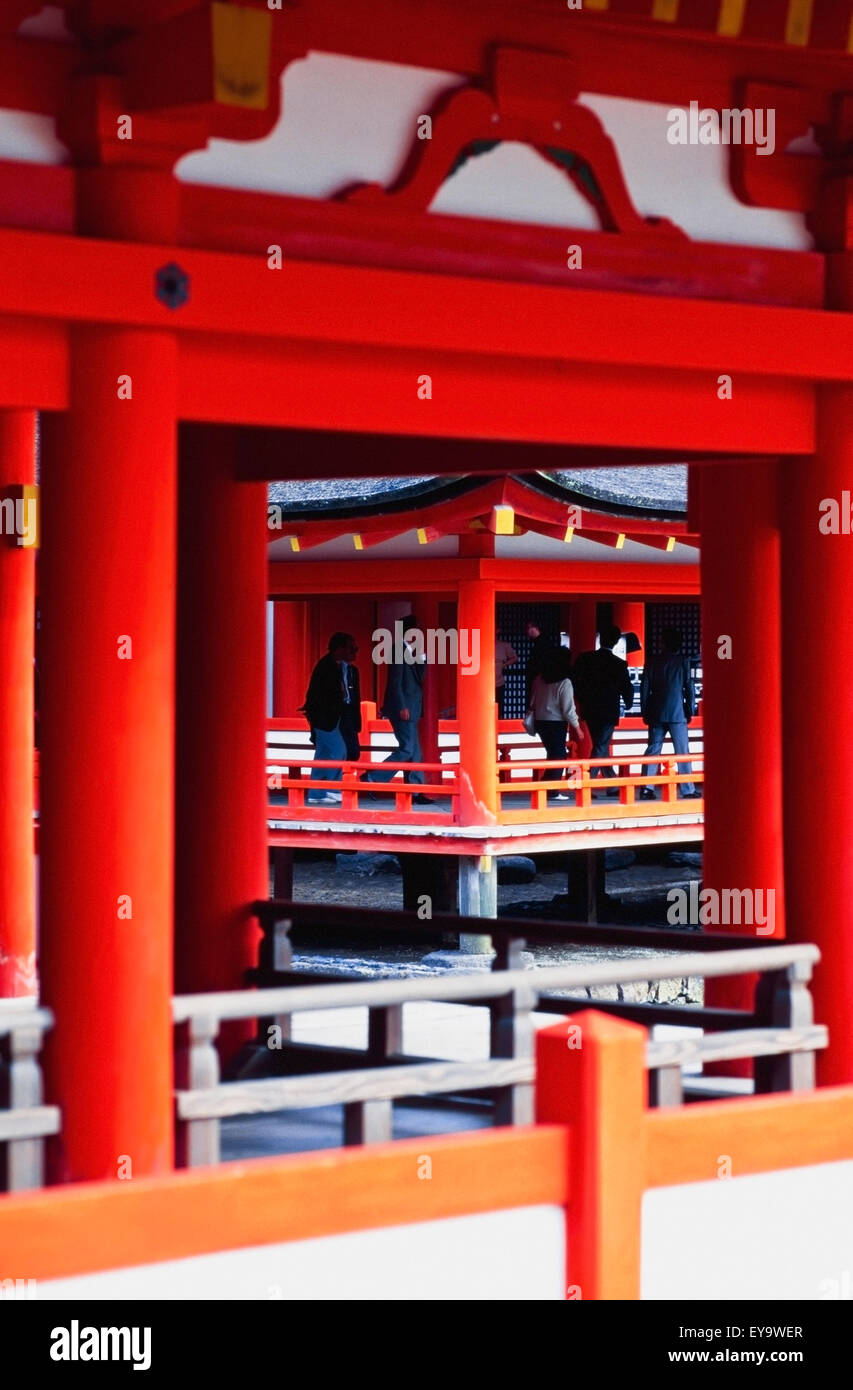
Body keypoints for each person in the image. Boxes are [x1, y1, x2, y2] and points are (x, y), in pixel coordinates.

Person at [364, 615, 431, 803]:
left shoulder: (411, 650)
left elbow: (420, 677)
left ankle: (416, 791)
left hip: (413, 707)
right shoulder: (397, 650)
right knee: (407, 749)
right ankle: (373, 778)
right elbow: (395, 681)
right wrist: (401, 705)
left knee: (415, 751)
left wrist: (422, 656)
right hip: (403, 708)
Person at [570, 624, 635, 794]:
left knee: (601, 745)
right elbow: (626, 686)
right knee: (600, 746)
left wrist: (581, 698)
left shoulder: (586, 659)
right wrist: (628, 702)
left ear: (600, 639)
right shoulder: (618, 664)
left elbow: (574, 680)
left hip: (590, 707)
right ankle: (587, 784)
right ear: (615, 642)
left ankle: (612, 784)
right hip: (608, 709)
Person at [638, 627, 699, 799]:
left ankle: (646, 787)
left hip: (656, 711)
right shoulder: (682, 661)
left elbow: (644, 688)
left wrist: (645, 710)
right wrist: (690, 709)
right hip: (677, 712)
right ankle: (687, 788)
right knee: (682, 750)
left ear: (662, 643)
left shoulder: (652, 661)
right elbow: (689, 688)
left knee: (653, 749)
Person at [300, 632, 361, 805]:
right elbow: (315, 696)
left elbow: (354, 697)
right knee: (338, 751)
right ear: (339, 648)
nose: (354, 653)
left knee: (324, 754)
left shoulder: (349, 669)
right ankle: (332, 788)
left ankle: (317, 793)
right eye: (352, 649)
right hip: (325, 718)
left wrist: (355, 721)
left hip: (341, 717)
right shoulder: (325, 667)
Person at [528, 646, 582, 801]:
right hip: (556, 722)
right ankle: (549, 789)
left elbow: (532, 700)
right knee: (559, 756)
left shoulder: (539, 678)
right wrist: (577, 728)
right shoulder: (565, 682)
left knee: (553, 754)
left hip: (541, 721)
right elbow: (568, 709)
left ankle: (546, 786)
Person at [524, 621, 557, 703]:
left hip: (540, 675)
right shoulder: (543, 641)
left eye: (527, 628)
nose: (526, 632)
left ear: (533, 628)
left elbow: (541, 660)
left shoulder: (542, 643)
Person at [495, 632, 518, 718]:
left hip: (499, 680)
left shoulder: (504, 645)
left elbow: (515, 658)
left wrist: (503, 665)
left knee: (499, 704)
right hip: (484, 679)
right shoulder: (481, 644)